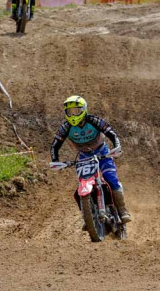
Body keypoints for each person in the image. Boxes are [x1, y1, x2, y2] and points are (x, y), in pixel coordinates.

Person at [49, 96, 131, 224]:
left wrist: (116, 147)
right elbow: (55, 145)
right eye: (70, 112)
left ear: (84, 110)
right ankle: (88, 217)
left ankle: (122, 210)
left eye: (76, 111)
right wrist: (55, 160)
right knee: (83, 184)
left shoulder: (93, 120)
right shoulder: (66, 127)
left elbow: (111, 132)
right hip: (84, 156)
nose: (73, 115)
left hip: (102, 152)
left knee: (111, 178)